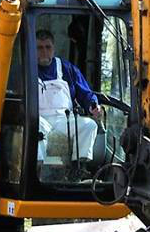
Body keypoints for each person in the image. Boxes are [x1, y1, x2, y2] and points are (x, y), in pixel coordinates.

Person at [34, 28, 101, 163]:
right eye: (39, 47)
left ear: (54, 48)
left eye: (48, 47)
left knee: (90, 125)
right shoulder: (26, 69)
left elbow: (85, 93)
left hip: (63, 120)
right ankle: (38, 168)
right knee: (34, 127)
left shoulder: (67, 68)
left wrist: (93, 105)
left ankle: (78, 168)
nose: (44, 51)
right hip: (39, 119)